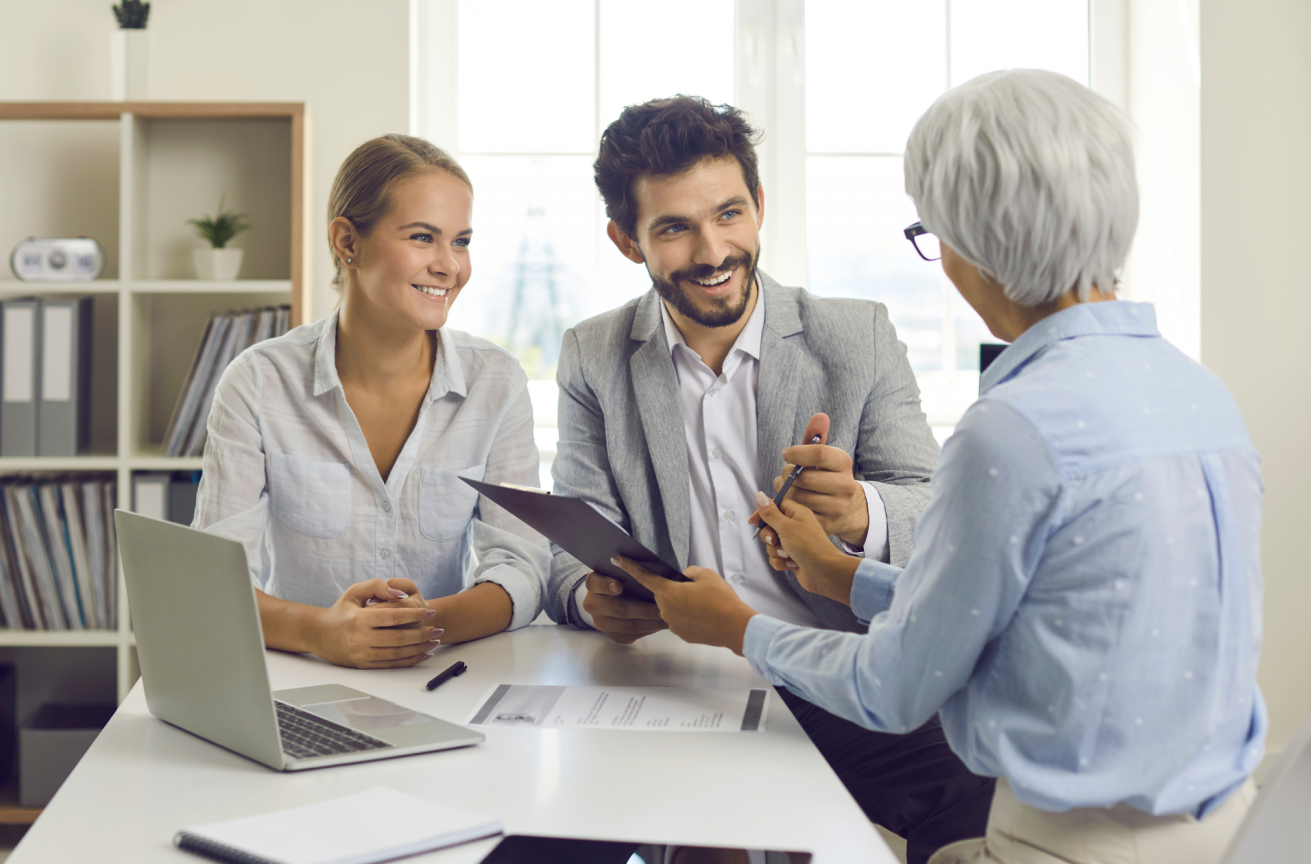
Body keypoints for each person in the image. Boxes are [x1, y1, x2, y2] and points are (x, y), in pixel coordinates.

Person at [617, 70, 1265, 864]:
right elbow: (1028, 615)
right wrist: (843, 576)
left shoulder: (1013, 429)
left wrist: (738, 627)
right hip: (1230, 829)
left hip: (1066, 845)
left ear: (969, 242)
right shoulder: (1197, 392)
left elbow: (893, 687)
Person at [548, 95, 994, 864]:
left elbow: (932, 512)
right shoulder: (594, 355)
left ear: (759, 205)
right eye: (675, 228)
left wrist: (860, 513)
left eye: (729, 214)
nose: (714, 249)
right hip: (682, 685)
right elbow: (568, 538)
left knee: (973, 780)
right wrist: (591, 601)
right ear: (628, 241)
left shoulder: (855, 335)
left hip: (835, 670)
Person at [192, 133, 550, 670]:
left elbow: (523, 568)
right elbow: (215, 582)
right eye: (423, 237)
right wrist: (324, 632)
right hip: (301, 675)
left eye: (462, 241)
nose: (450, 266)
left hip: (441, 674)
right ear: (347, 242)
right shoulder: (258, 382)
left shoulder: (495, 382)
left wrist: (414, 626)